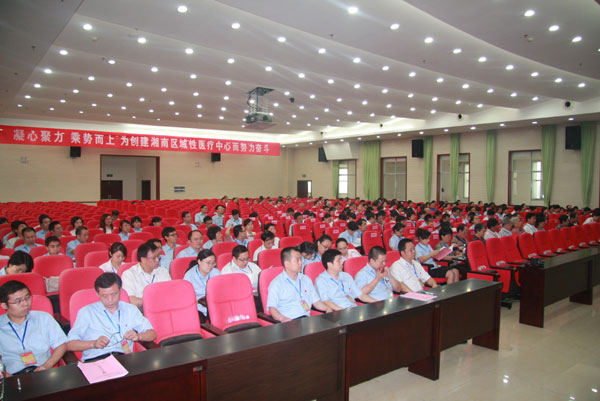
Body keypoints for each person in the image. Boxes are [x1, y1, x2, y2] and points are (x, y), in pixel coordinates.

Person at [67, 273, 156, 362]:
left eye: (114, 294)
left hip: (124, 358)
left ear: (120, 291)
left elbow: (152, 334)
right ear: (97, 294)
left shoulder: (130, 309)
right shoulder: (87, 312)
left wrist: (139, 336)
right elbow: (70, 344)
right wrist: (93, 344)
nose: (110, 300)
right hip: (97, 359)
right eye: (104, 296)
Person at [0, 281, 67, 375]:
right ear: (4, 305)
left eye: (27, 298)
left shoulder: (44, 318)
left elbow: (61, 345)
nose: (25, 304)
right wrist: (6, 376)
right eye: (18, 301)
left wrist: (47, 365)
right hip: (12, 375)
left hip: (43, 371)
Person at [267, 247, 332, 322]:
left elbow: (316, 301)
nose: (301, 262)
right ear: (286, 263)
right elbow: (272, 308)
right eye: (297, 260)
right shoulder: (276, 283)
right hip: (290, 321)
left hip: (307, 320)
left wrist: (327, 308)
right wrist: (282, 318)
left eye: (301, 259)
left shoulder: (306, 279)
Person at [121, 243, 171, 309]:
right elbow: (131, 300)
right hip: (140, 310)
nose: (157, 260)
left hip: (163, 308)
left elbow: (169, 294)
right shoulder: (129, 274)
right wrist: (155, 302)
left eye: (158, 257)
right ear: (143, 260)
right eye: (154, 258)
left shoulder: (163, 272)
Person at [183, 249, 220, 323]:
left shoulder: (216, 273)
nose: (210, 266)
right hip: (198, 307)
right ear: (199, 262)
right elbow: (185, 296)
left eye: (213, 263)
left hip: (214, 305)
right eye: (208, 263)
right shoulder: (189, 275)